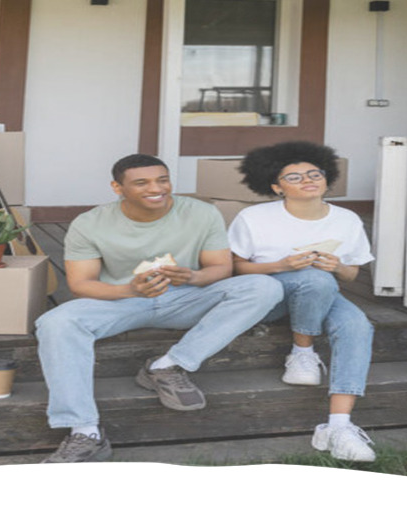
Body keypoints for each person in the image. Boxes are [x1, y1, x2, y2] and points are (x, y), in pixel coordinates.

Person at [35, 153, 283, 463]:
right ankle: (85, 431)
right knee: (55, 322)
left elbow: (220, 268)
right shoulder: (90, 223)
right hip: (122, 301)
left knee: (265, 287)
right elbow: (81, 283)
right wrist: (129, 288)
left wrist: (194, 276)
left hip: (186, 298)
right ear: (117, 187)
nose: (157, 188)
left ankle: (168, 365)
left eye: (162, 180)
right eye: (142, 183)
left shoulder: (202, 213)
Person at [228, 141, 377, 462]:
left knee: (356, 323)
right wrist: (282, 265)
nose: (308, 180)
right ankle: (302, 351)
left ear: (327, 177)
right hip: (267, 295)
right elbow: (235, 268)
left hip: (320, 295)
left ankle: (338, 426)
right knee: (315, 278)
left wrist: (336, 265)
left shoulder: (347, 219)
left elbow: (351, 275)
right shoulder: (253, 217)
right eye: (293, 177)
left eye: (314, 173)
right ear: (275, 187)